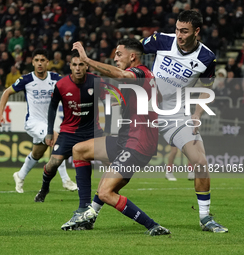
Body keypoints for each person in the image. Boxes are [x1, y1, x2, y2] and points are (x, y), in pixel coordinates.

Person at [59, 39, 170, 236]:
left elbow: (120, 74)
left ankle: (153, 226)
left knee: (106, 192)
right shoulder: (146, 76)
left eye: (119, 54)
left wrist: (86, 59)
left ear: (132, 57)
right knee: (79, 150)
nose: (115, 58)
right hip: (126, 139)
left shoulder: (140, 72)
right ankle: (85, 212)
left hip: (137, 145)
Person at [141, 10, 227, 232]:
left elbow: (206, 90)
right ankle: (91, 209)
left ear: (196, 32)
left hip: (176, 116)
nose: (179, 35)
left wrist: (197, 114)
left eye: (184, 31)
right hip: (144, 112)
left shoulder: (207, 58)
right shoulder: (162, 40)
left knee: (200, 162)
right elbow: (131, 52)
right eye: (177, 29)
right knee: (117, 164)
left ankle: (205, 218)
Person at [0, 48, 77, 194]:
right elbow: (7, 92)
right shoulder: (26, 79)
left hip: (48, 123)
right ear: (32, 62)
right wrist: (0, 114)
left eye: (42, 60)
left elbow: (71, 89)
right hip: (33, 122)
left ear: (47, 62)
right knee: (57, 140)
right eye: (37, 60)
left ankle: (19, 175)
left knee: (37, 154)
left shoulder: (56, 78)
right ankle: (66, 180)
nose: (39, 63)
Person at [33, 50, 105, 203]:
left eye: (81, 64)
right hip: (69, 132)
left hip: (93, 132)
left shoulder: (96, 81)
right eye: (74, 65)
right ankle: (44, 188)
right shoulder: (61, 85)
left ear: (86, 66)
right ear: (70, 66)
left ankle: (103, 194)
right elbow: (52, 108)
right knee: (53, 163)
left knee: (112, 162)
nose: (78, 68)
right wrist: (49, 133)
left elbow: (109, 103)